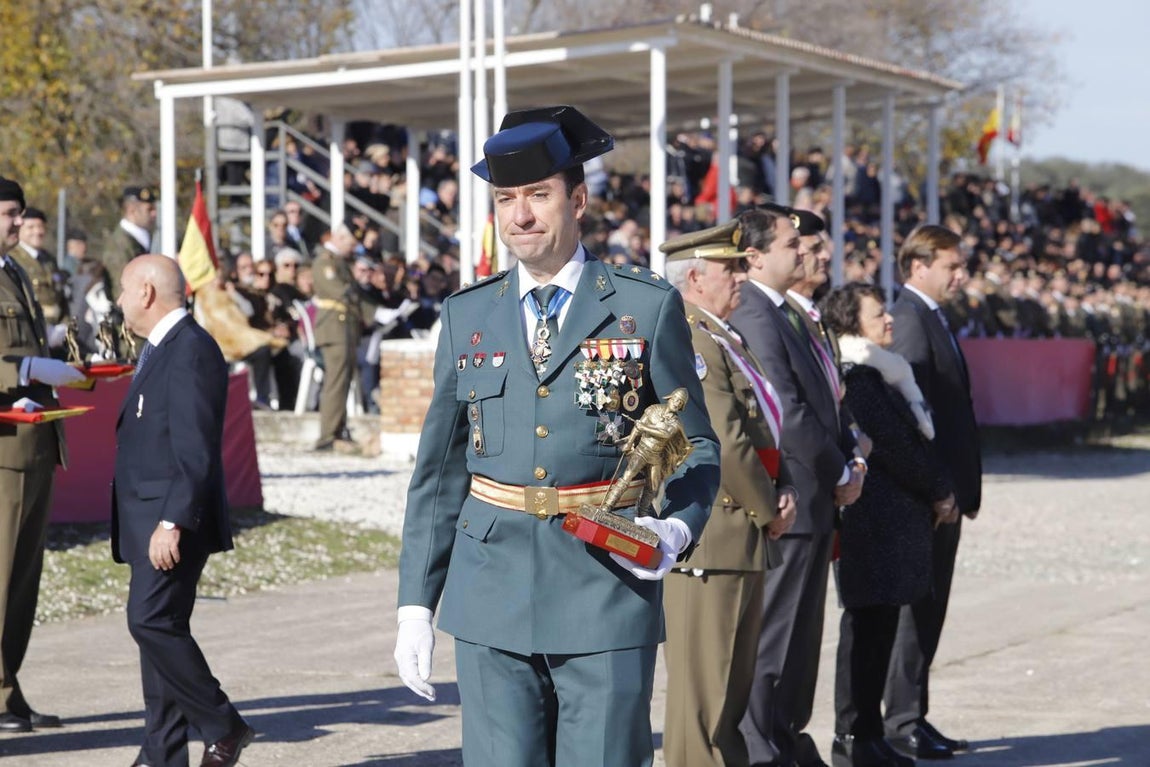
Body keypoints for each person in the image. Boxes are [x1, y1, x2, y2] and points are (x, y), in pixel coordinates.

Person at [393, 105, 720, 767]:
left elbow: (699, 445)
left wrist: (676, 529)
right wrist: (414, 603)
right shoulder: (467, 313)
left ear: (577, 199)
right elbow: (439, 473)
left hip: (604, 586)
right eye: (506, 199)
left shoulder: (642, 305)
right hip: (489, 589)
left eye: (538, 196)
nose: (521, 215)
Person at [660, 222, 798, 767]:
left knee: (729, 696)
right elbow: (726, 438)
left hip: (741, 532)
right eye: (731, 268)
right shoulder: (691, 336)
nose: (742, 276)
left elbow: (763, 427)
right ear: (695, 277)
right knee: (702, 700)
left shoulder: (722, 334)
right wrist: (770, 505)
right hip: (714, 534)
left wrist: (780, 490)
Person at [731, 206, 863, 767]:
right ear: (756, 256)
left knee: (800, 636)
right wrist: (838, 469)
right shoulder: (759, 312)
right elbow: (785, 407)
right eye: (793, 243)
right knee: (773, 636)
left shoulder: (785, 310)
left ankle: (782, 734)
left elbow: (827, 401)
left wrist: (850, 455)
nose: (805, 252)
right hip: (793, 493)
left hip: (815, 496)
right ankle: (760, 744)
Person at [113, 255, 253, 767]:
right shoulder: (163, 346)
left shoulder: (190, 349)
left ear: (147, 293)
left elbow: (195, 449)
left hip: (169, 521)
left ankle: (223, 725)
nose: (120, 300)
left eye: (125, 289)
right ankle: (162, 754)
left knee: (149, 622)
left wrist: (171, 522)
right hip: (150, 518)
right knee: (161, 634)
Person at [822, 283, 954, 767]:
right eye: (878, 314)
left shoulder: (882, 371)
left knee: (879, 628)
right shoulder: (859, 375)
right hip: (871, 523)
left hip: (892, 523)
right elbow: (897, 447)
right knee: (866, 629)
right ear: (852, 322)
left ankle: (871, 734)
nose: (889, 320)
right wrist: (939, 488)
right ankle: (853, 735)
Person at [883, 225, 982, 760]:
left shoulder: (933, 317)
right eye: (951, 266)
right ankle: (900, 720)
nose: (960, 275)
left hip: (945, 495)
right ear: (918, 267)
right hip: (928, 498)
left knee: (931, 610)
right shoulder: (911, 322)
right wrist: (936, 487)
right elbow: (909, 417)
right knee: (913, 612)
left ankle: (914, 713)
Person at [0, 177, 86, 733]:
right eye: (8, 213)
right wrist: (24, 369)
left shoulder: (16, 272)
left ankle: (9, 686)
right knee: (1, 575)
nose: (15, 222)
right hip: (4, 446)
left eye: (18, 213)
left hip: (34, 441)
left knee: (24, 579)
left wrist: (53, 346)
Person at [311, 223, 376, 452]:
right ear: (339, 238)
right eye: (349, 243)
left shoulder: (339, 262)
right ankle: (328, 435)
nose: (352, 249)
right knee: (335, 382)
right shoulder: (325, 261)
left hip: (344, 328)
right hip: (333, 328)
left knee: (343, 381)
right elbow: (340, 291)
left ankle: (338, 429)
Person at [104, 186, 157, 297]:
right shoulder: (120, 244)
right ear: (131, 210)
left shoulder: (144, 239)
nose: (154, 214)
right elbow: (122, 290)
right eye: (149, 209)